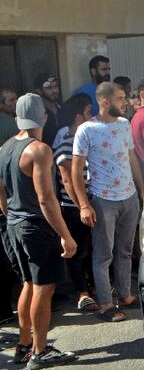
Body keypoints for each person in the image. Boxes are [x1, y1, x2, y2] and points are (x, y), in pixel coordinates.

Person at [0, 93, 77, 367]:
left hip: (15, 225)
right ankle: (40, 351)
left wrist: (12, 218)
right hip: (36, 227)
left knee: (28, 285)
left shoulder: (5, 148)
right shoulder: (39, 150)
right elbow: (46, 198)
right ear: (43, 117)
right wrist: (66, 236)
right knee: (43, 289)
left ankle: (24, 345)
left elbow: (2, 194)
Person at [72, 82, 144, 322]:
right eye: (120, 98)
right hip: (104, 200)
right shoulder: (86, 130)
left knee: (124, 250)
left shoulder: (125, 125)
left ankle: (125, 295)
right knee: (103, 255)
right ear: (104, 101)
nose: (125, 102)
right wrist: (84, 204)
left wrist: (141, 190)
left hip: (129, 197)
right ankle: (105, 303)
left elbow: (131, 157)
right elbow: (76, 171)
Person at [51, 93, 97, 314]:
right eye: (89, 112)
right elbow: (68, 180)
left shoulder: (87, 141)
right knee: (78, 251)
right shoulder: (65, 144)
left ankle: (93, 286)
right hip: (73, 207)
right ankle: (82, 292)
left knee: (90, 248)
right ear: (78, 117)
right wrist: (83, 206)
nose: (92, 116)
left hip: (90, 202)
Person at [33, 74, 62, 148]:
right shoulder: (37, 114)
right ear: (38, 91)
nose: (55, 91)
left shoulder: (63, 109)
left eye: (56, 86)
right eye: (49, 88)